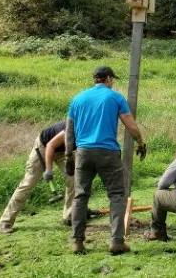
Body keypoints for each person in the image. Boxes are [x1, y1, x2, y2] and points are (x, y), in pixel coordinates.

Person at [65, 66, 147, 255]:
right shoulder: (115, 97)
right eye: (113, 79)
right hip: (108, 152)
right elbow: (131, 126)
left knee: (81, 196)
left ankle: (77, 242)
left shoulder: (78, 99)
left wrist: (70, 155)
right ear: (108, 79)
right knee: (117, 195)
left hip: (83, 153)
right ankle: (117, 242)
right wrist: (141, 143)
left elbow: (69, 130)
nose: (113, 83)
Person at [0, 121, 74, 233]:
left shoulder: (91, 131)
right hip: (44, 147)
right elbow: (50, 146)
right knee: (28, 183)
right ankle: (5, 221)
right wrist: (48, 169)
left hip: (63, 151)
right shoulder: (71, 129)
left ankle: (69, 216)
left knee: (74, 179)